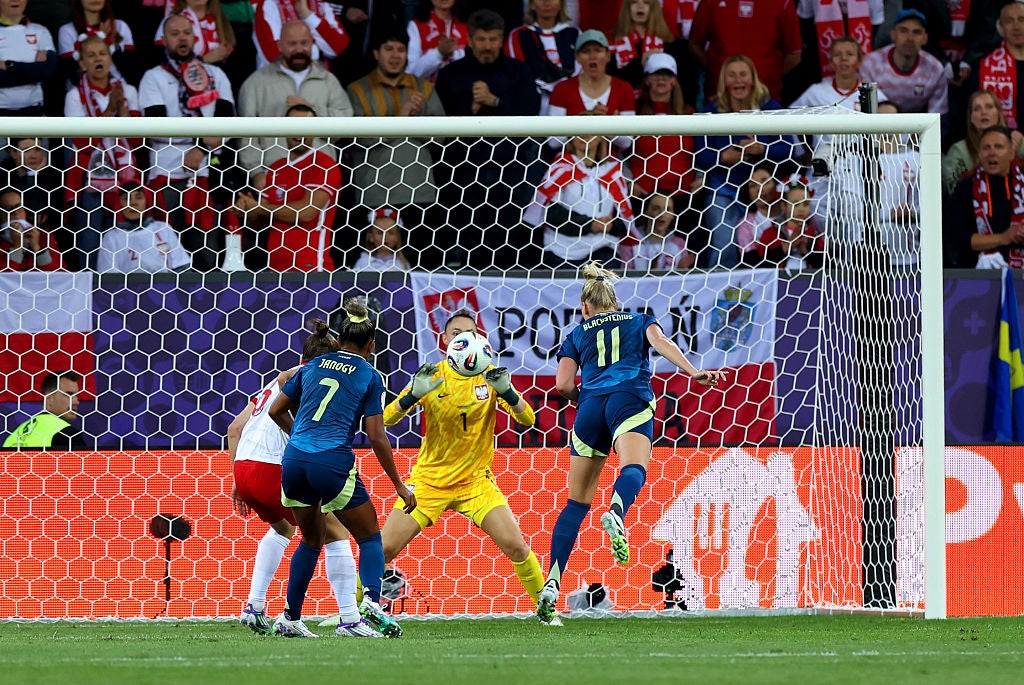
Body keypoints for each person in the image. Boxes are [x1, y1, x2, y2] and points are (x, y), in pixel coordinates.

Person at [535, 262, 725, 624]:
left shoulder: (576, 333)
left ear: (586, 307)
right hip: (630, 399)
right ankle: (617, 513)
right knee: (633, 466)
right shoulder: (640, 321)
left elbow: (561, 386)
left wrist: (587, 398)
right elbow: (662, 343)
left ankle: (552, 582)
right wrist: (694, 372)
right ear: (615, 301)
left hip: (589, 408)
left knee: (575, 504)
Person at [379, 309, 546, 617]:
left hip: (475, 483)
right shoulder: (431, 376)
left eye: (470, 333)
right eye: (456, 333)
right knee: (384, 550)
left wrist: (507, 392)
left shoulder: (491, 375)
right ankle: (352, 609)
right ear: (445, 339)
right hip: (429, 482)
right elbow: (387, 419)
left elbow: (529, 419)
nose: (463, 339)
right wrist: (411, 396)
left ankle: (547, 611)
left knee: (517, 546)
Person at [267, 298, 416, 638]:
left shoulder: (311, 367)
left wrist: (300, 439)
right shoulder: (369, 374)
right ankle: (370, 609)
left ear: (337, 338)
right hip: (331, 461)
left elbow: (276, 410)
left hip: (294, 462)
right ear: (372, 343)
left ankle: (290, 617)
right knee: (370, 537)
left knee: (310, 539)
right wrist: (398, 485)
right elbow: (377, 436)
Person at [230, 320, 380, 638]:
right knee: (335, 533)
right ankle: (351, 618)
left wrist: (236, 480)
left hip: (245, 467)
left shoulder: (275, 383)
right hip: (274, 466)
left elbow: (234, 428)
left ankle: (255, 607)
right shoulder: (308, 378)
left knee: (284, 529)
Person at [433, 9, 541, 269]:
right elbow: (438, 122)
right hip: (464, 172)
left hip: (512, 169)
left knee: (510, 240)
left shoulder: (519, 72)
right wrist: (468, 111)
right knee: (468, 241)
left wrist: (495, 101)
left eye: (493, 39)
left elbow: (532, 112)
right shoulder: (451, 74)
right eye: (482, 40)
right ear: (469, 41)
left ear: (501, 40)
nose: (488, 46)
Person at [139, 13, 235, 271]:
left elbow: (226, 123)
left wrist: (201, 148)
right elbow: (157, 125)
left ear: (194, 37)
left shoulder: (215, 74)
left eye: (186, 33)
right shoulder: (153, 77)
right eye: (174, 33)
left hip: (209, 170)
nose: (181, 38)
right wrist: (203, 136)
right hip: (166, 169)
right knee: (167, 251)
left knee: (207, 251)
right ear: (164, 39)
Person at [345, 30, 445, 267]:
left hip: (418, 193)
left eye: (400, 50)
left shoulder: (424, 89)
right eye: (389, 49)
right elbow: (355, 138)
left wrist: (414, 120)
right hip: (374, 192)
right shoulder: (357, 90)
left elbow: (440, 137)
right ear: (376, 53)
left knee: (420, 266)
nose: (395, 56)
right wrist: (401, 119)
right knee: (371, 268)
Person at [695, 55, 793, 268]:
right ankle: (720, 296)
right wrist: (724, 157)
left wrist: (762, 148)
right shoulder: (710, 111)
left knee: (770, 249)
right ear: (724, 81)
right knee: (724, 247)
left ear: (753, 79)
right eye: (732, 75)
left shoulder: (770, 108)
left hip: (763, 193)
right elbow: (700, 155)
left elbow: (789, 148)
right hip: (724, 191)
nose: (738, 80)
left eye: (743, 74)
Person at [238, 19, 351, 188]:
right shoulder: (256, 82)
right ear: (280, 45)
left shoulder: (328, 80)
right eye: (292, 44)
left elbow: (346, 125)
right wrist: (255, 173)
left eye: (304, 43)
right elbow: (246, 134)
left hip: (320, 173)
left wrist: (311, 110)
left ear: (313, 43)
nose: (299, 49)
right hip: (274, 173)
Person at [233, 104, 342, 272]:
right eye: (294, 126)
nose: (300, 133)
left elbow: (306, 213)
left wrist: (260, 207)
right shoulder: (275, 168)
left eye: (306, 127)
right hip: (274, 269)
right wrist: (248, 208)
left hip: (311, 268)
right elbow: (259, 223)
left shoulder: (323, 165)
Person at [64, 33, 141, 272]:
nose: (98, 59)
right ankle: (88, 294)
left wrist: (123, 111)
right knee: (89, 240)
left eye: (102, 53)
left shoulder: (128, 90)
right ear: (82, 63)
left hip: (125, 176)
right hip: (89, 178)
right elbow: (82, 142)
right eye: (91, 55)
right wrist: (109, 111)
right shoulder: (74, 95)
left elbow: (137, 140)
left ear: (110, 58)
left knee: (122, 239)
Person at [523, 134, 640, 270]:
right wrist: (590, 225)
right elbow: (549, 212)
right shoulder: (560, 168)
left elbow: (626, 217)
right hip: (561, 252)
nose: (585, 136)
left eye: (590, 132)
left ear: (601, 138)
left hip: (604, 252)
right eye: (579, 132)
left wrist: (611, 225)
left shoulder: (613, 172)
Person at [689, 0, 801, 104]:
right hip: (719, 96)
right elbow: (694, 44)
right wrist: (717, 69)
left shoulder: (783, 2)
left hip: (765, 98)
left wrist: (771, 75)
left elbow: (794, 54)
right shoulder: (711, 2)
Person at [950, 125, 1024, 269]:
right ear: (979, 154)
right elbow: (960, 239)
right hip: (977, 277)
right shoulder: (965, 188)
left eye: (998, 147)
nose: (992, 153)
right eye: (986, 148)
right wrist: (1004, 237)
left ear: (1011, 153)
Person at [630, 52, 696, 199]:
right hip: (643, 196)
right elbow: (620, 150)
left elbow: (701, 151)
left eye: (667, 75)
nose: (661, 79)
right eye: (656, 74)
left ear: (674, 81)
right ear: (647, 80)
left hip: (683, 196)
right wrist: (628, 181)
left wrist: (701, 177)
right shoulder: (634, 112)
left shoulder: (689, 113)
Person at [859, 9, 948, 114]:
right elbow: (864, 111)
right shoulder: (870, 63)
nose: (910, 38)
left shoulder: (935, 69)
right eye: (904, 30)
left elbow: (938, 117)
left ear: (925, 38)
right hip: (879, 126)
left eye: (917, 32)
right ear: (893, 34)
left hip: (918, 128)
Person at [96, 182, 191, 273]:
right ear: (118, 205)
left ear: (148, 202)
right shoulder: (112, 237)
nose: (133, 203)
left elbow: (182, 267)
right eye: (126, 198)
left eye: (139, 197)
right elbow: (107, 278)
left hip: (164, 287)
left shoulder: (163, 229)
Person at [943, 89, 1024, 195]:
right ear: (970, 117)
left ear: (998, 113)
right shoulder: (959, 151)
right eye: (977, 109)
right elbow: (954, 191)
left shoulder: (1018, 143)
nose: (983, 112)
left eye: (989, 107)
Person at [504, 0, 579, 105]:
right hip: (531, 103)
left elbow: (581, 71)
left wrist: (562, 90)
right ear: (532, 5)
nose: (546, 2)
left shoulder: (575, 34)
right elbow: (517, 72)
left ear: (561, 4)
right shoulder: (518, 35)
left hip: (569, 101)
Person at [748, 175, 825, 269]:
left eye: (806, 204)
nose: (801, 209)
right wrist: (789, 245)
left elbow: (825, 265)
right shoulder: (770, 233)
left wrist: (805, 251)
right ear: (783, 205)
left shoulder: (815, 234)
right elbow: (761, 265)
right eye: (796, 204)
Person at [0, 0, 57, 117]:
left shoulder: (41, 31)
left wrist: (9, 65)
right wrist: (33, 72)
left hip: (33, 112)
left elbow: (48, 71)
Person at [253, 0, 349, 68]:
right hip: (278, 82)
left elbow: (338, 47)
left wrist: (306, 14)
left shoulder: (322, 3)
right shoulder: (268, 3)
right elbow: (273, 55)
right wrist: (317, 50)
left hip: (318, 80)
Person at [973, 1, 1024, 130]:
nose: (1016, 26)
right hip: (993, 142)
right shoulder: (983, 67)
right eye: (1009, 21)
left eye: (1022, 19)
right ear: (1000, 28)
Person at [3, 372, 85, 450]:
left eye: (76, 395)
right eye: (69, 395)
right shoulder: (67, 434)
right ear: (49, 399)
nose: (76, 402)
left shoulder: (17, 433)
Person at [608, 0, 675, 90]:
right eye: (634, 2)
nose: (640, 6)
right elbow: (610, 79)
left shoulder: (668, 42)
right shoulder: (612, 42)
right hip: (624, 98)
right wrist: (640, 63)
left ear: (653, 8)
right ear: (627, 8)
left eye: (646, 2)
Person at [617, 192, 694, 271]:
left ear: (673, 215)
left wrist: (681, 270)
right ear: (645, 211)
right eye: (656, 208)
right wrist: (651, 272)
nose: (662, 214)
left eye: (667, 209)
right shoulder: (630, 240)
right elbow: (624, 278)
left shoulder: (678, 243)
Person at [0, 186, 63, 272]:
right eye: (8, 209)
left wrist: (36, 247)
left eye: (19, 207)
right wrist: (17, 248)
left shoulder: (43, 234)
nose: (15, 212)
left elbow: (58, 273)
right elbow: (3, 278)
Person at [406, 0, 468, 81]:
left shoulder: (467, 25)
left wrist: (453, 54)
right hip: (427, 90)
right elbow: (413, 73)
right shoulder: (415, 26)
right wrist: (438, 53)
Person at [737, 162, 781, 265]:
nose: (759, 189)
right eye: (752, 186)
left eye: (765, 182)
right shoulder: (746, 223)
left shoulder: (793, 215)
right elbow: (751, 263)